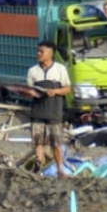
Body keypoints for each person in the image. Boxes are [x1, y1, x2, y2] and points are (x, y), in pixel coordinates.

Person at [27, 41, 72, 176]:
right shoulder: (32, 71)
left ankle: (60, 169)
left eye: (42, 51)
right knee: (38, 143)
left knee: (56, 144)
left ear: (50, 53)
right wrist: (31, 93)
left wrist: (55, 91)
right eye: (38, 51)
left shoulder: (60, 69)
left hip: (54, 112)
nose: (38, 54)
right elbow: (29, 89)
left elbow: (68, 89)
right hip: (37, 112)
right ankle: (40, 168)